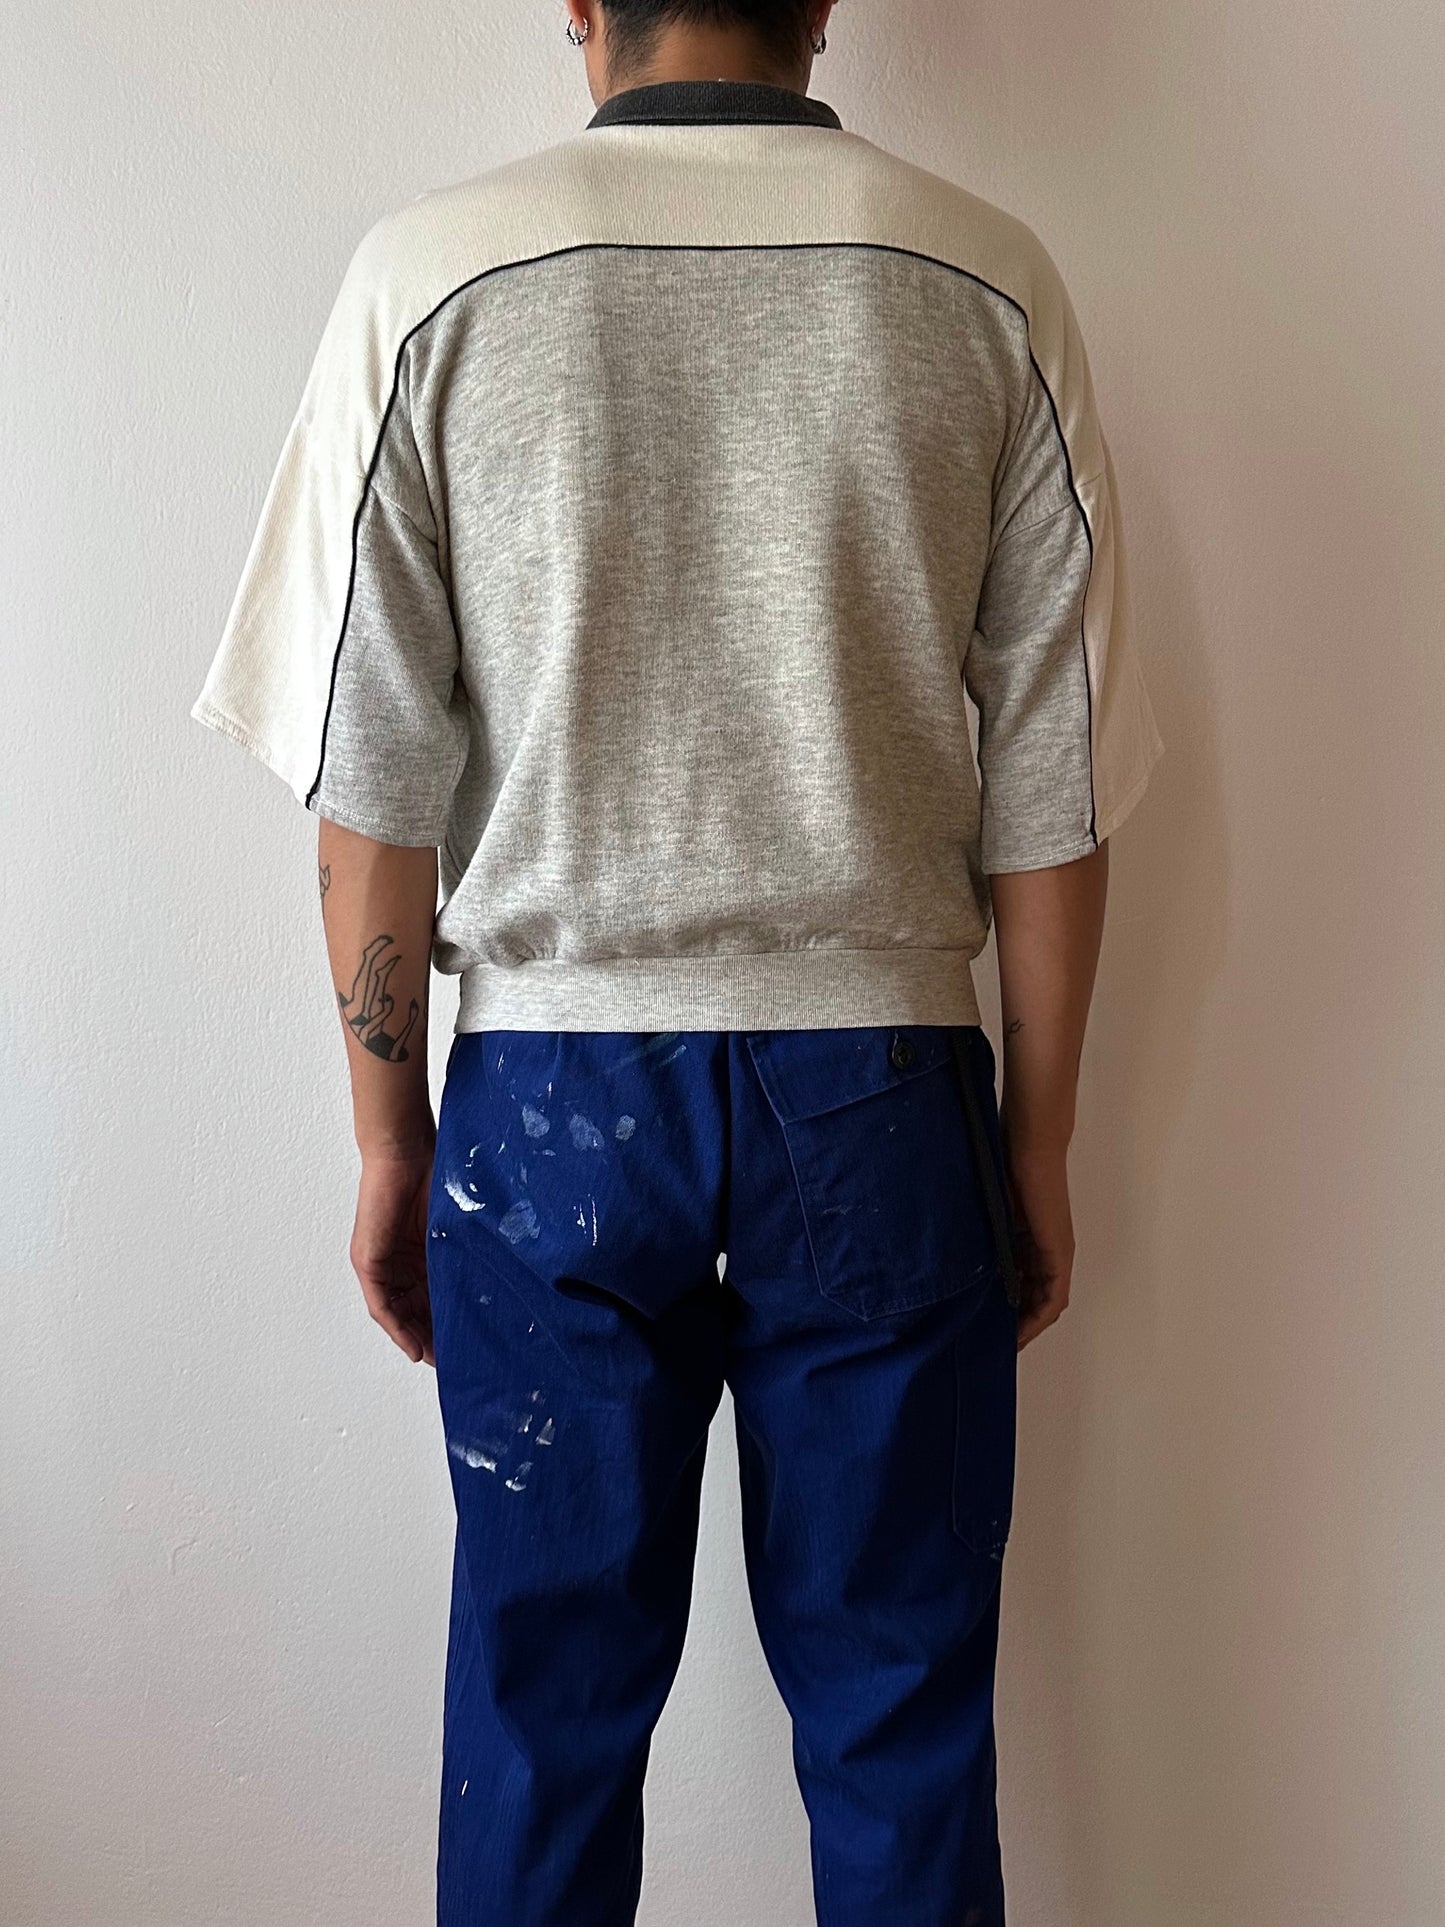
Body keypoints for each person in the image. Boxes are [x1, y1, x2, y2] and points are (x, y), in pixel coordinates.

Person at [191, 0, 1163, 1920]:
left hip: (549, 1105)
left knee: (538, 1724)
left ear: (577, 2)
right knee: (899, 1722)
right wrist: (1037, 1147)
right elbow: (1049, 803)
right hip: (881, 1098)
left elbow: (368, 804)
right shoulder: (986, 282)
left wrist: (388, 1142)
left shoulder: (431, 281)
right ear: (824, 4)